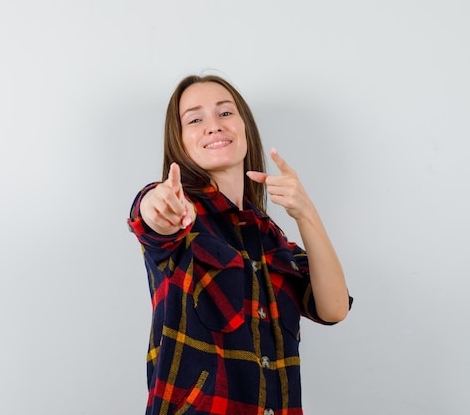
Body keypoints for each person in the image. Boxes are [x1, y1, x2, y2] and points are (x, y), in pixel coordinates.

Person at [128, 74, 352, 415]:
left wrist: (306, 213)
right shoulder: (180, 213)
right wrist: (158, 207)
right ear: (180, 141)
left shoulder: (270, 239)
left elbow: (334, 308)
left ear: (244, 127)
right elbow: (151, 217)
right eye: (195, 119)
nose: (214, 126)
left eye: (225, 113)